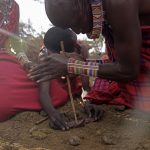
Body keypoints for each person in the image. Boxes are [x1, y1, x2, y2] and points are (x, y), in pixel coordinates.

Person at [29, 0, 150, 112]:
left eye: (75, 22)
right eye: (70, 27)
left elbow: (128, 70)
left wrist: (73, 66)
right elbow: (119, 61)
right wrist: (81, 62)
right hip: (132, 65)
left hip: (132, 70)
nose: (76, 31)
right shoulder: (100, 8)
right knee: (102, 85)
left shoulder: (118, 4)